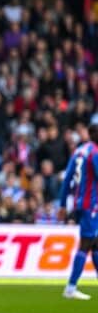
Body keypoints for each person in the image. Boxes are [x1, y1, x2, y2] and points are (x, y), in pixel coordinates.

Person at [58, 124, 98, 300]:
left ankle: (72, 286)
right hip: (91, 205)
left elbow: (67, 178)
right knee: (86, 243)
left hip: (79, 202)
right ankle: (71, 287)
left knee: (95, 244)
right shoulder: (95, 153)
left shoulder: (79, 151)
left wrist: (62, 204)